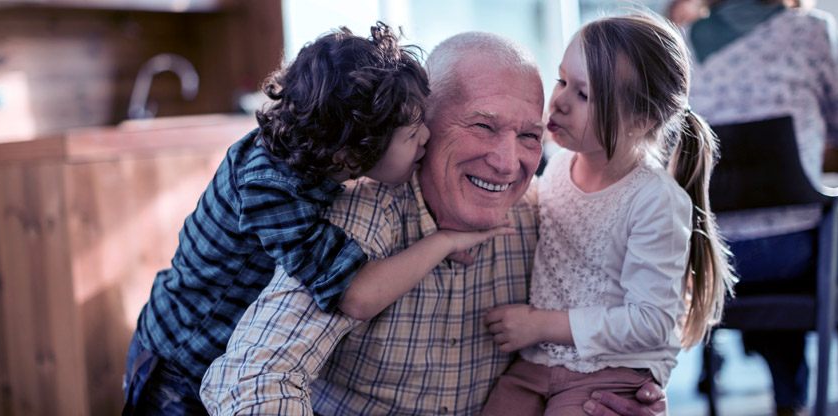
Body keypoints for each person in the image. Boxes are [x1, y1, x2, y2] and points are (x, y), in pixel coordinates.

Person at [200, 30, 667, 416]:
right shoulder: (359, 218)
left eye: (528, 135)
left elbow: (635, 317)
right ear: (423, 124)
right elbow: (254, 380)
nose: (507, 164)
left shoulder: (547, 220)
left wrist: (629, 388)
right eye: (483, 127)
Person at [122, 22, 511, 415]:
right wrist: (442, 241)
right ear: (353, 150)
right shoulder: (271, 189)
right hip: (179, 364)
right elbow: (358, 295)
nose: (427, 137)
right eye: (412, 135)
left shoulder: (312, 157)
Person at [479, 14, 736, 415]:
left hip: (609, 374)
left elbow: (650, 321)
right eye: (562, 80)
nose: (559, 101)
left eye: (583, 95)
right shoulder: (560, 164)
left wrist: (540, 324)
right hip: (536, 364)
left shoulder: (654, 200)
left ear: (640, 120)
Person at [688, 1, 838, 414]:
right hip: (794, 252)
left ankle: (787, 399)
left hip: (718, 257)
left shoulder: (684, 41)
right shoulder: (811, 30)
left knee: (769, 235)